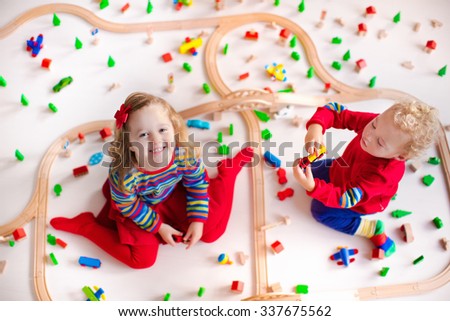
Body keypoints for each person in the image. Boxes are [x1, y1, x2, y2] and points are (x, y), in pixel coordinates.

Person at [51, 92, 253, 269]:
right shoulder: (124, 174)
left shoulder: (184, 154)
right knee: (141, 260)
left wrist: (197, 220)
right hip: (141, 205)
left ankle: (228, 172)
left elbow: (197, 185)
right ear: (129, 144)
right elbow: (129, 206)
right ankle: (87, 226)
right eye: (144, 134)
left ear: (173, 128)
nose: (156, 140)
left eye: (162, 130)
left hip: (173, 193)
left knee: (211, 233)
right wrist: (159, 227)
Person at [293, 101, 439, 257]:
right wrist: (316, 127)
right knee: (312, 171)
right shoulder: (380, 128)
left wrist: (314, 188)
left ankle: (371, 229)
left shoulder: (382, 174)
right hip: (341, 170)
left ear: (400, 156)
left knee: (319, 211)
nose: (368, 135)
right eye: (374, 125)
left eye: (380, 142)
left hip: (357, 201)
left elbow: (347, 198)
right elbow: (335, 111)